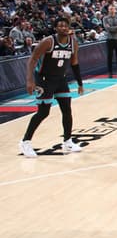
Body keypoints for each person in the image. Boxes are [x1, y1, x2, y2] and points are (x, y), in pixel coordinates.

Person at [19, 17, 84, 158]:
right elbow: (33, 59)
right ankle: (25, 141)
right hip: (44, 80)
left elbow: (75, 63)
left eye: (65, 26)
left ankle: (67, 141)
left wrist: (80, 82)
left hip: (61, 79)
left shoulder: (73, 43)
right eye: (60, 26)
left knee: (67, 110)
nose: (63, 28)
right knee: (43, 112)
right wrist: (30, 80)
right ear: (55, 28)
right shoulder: (48, 42)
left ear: (69, 28)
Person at [102, 4, 117, 78]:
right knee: (110, 57)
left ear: (115, 10)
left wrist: (113, 28)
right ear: (108, 10)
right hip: (110, 39)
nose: (112, 10)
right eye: (110, 9)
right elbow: (107, 28)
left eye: (113, 9)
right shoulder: (105, 18)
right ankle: (110, 72)